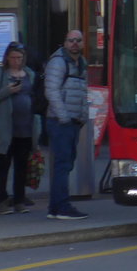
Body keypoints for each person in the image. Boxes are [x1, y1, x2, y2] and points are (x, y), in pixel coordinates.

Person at [0, 42, 40, 214]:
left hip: (26, 128)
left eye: (20, 58)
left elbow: (35, 97)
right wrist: (7, 91)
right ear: (7, 58)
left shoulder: (29, 74)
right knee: (3, 165)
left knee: (21, 166)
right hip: (5, 129)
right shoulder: (0, 74)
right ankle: (2, 200)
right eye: (13, 58)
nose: (17, 61)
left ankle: (19, 200)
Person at [43, 30, 90, 221]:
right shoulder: (58, 61)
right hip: (61, 121)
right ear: (65, 42)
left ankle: (56, 207)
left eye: (78, 40)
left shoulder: (81, 63)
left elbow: (83, 92)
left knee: (65, 164)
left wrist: (82, 117)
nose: (74, 44)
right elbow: (51, 91)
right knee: (63, 164)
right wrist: (63, 117)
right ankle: (62, 206)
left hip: (73, 121)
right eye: (71, 40)